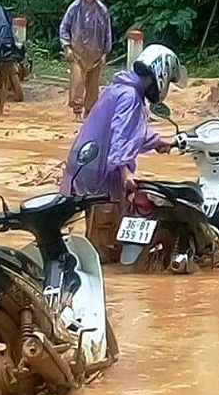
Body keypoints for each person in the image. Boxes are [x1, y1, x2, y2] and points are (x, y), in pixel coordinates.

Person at [60, 44, 185, 263]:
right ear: (160, 72)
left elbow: (129, 132)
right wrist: (126, 172)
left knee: (99, 229)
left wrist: (159, 142)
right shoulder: (130, 96)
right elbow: (120, 137)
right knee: (106, 248)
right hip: (100, 173)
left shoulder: (120, 89)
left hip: (85, 166)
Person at [59, 0, 112, 122]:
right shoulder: (74, 8)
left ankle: (89, 113)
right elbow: (64, 27)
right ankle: (77, 112)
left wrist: (105, 52)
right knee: (77, 84)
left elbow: (107, 32)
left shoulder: (102, 10)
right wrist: (67, 46)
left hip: (96, 54)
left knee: (93, 87)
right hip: (78, 54)